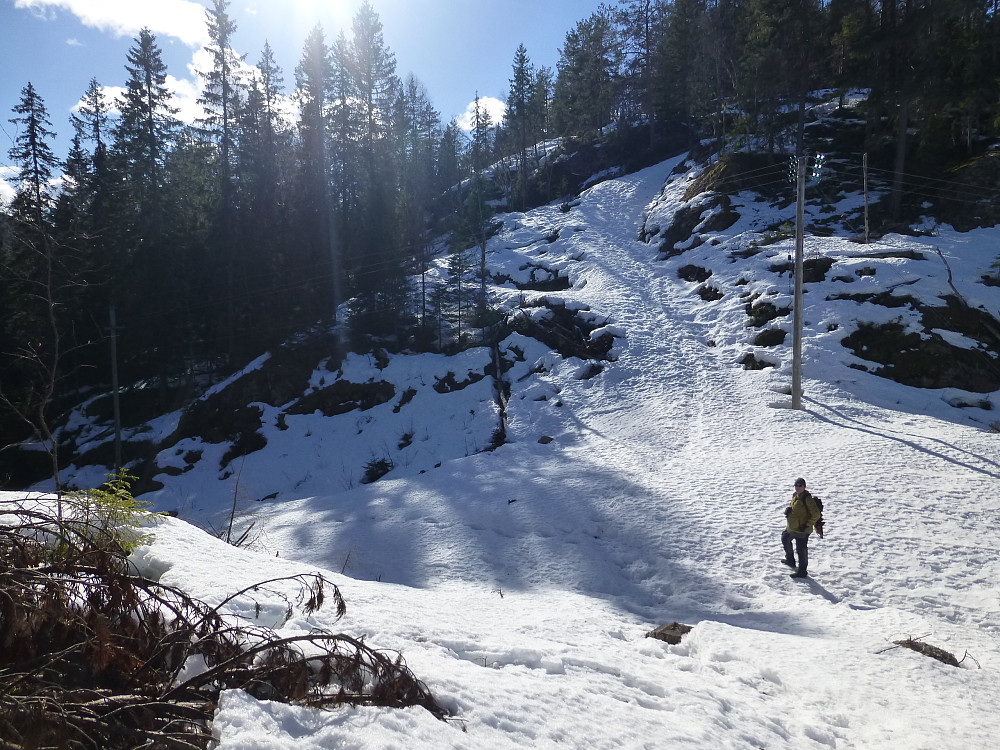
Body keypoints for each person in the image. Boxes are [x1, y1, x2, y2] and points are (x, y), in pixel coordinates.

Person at [781, 477, 823, 579]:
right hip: (792, 527)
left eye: (800, 486)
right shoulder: (796, 496)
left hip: (802, 530)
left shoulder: (807, 499)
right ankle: (790, 560)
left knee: (801, 550)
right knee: (785, 539)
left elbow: (816, 514)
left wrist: (808, 524)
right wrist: (789, 510)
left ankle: (802, 571)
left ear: (804, 487)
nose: (798, 487)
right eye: (796, 485)